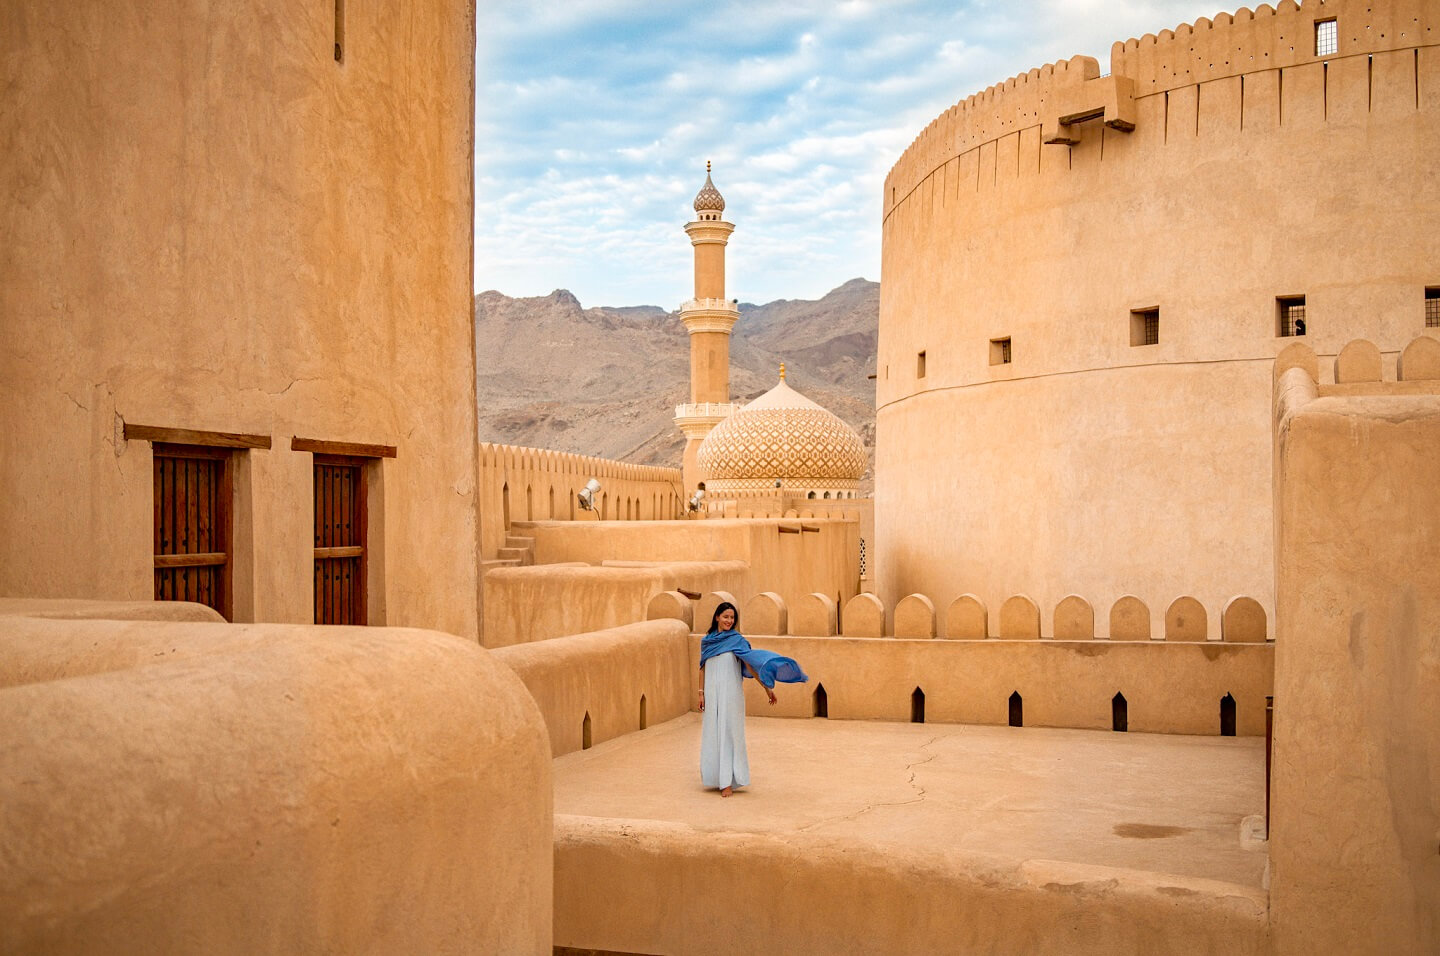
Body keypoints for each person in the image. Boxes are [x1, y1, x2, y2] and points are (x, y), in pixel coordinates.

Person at [698, 602, 808, 797]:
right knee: (713, 731)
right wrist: (701, 693)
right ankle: (715, 777)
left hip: (731, 694)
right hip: (712, 693)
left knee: (729, 731)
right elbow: (702, 667)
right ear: (717, 617)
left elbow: (751, 666)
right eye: (725, 617)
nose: (729, 621)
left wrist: (767, 689)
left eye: (732, 618)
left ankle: (727, 782)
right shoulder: (707, 641)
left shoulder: (737, 640)